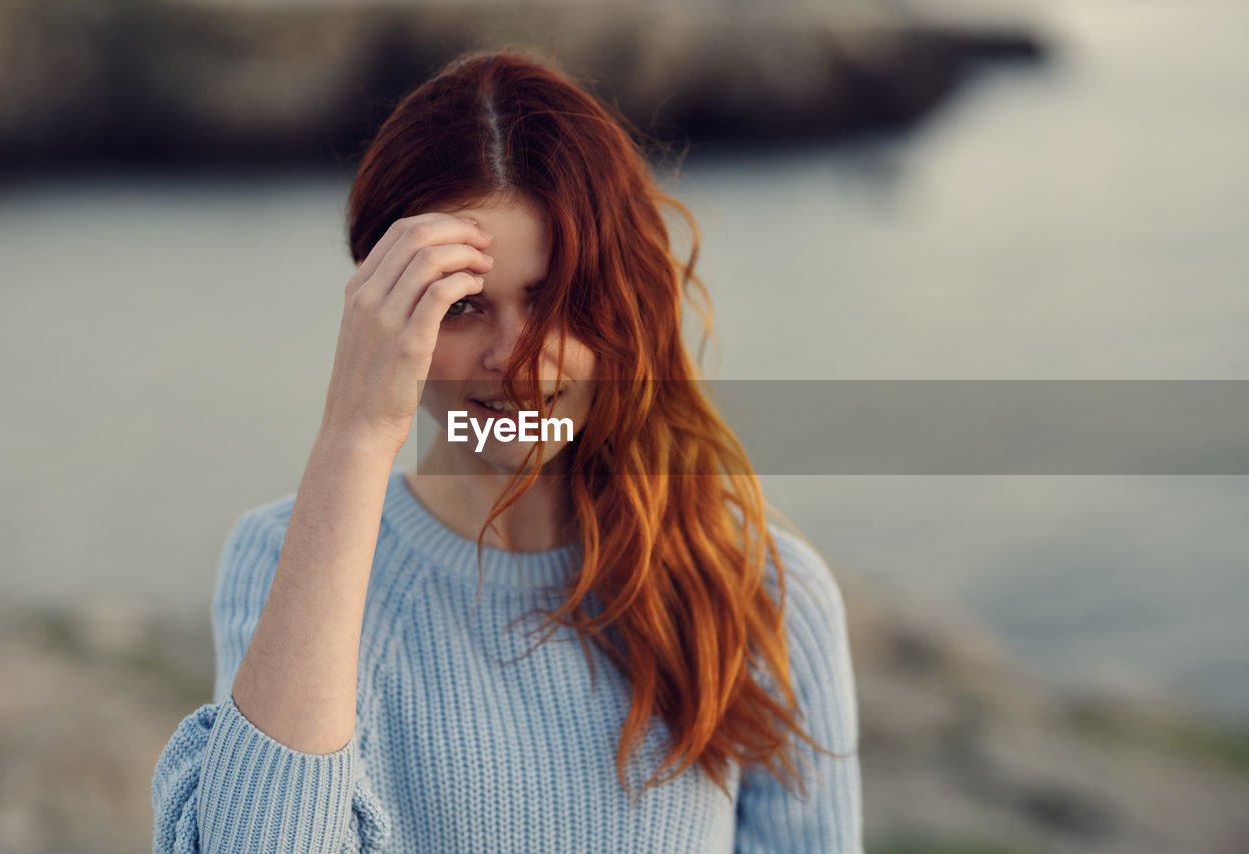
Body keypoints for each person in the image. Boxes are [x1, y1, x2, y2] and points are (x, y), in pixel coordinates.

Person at [151, 48, 862, 853]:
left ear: (626, 303)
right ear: (383, 314)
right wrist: (354, 434)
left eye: (558, 298)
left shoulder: (763, 593)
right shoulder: (282, 558)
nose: (517, 360)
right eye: (460, 306)